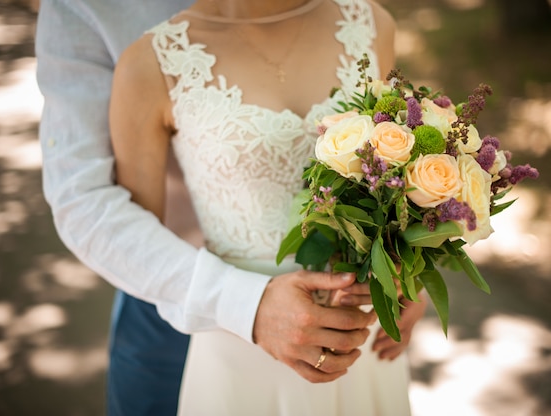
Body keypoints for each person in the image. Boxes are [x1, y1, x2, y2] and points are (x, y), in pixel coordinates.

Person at [36, 0, 425, 414]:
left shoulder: (369, 24)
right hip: (216, 320)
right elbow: (91, 202)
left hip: (361, 337)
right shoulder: (146, 61)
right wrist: (244, 304)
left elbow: (389, 170)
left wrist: (412, 263)